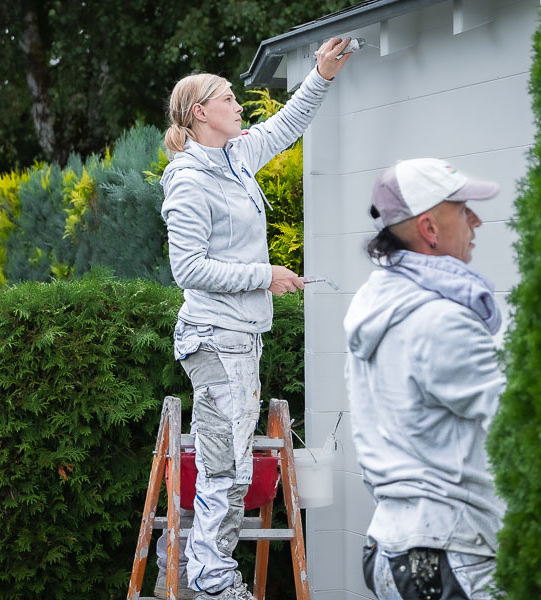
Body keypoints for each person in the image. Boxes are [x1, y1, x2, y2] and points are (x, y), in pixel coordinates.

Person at [157, 37, 353, 600]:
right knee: (224, 467)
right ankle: (213, 582)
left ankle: (203, 572)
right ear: (200, 112)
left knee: (233, 462)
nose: (239, 105)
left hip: (241, 338)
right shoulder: (190, 180)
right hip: (214, 340)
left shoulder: (236, 155)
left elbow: (287, 124)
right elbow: (187, 268)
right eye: (227, 98)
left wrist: (321, 74)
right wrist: (263, 274)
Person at [344, 158, 507, 599]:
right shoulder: (440, 321)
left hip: (389, 547)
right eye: (462, 208)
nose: (475, 219)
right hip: (453, 552)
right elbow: (517, 425)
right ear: (430, 228)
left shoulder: (376, 303)